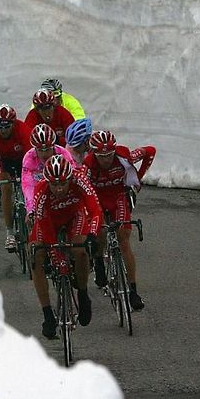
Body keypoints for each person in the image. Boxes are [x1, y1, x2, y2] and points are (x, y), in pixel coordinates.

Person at [30, 155, 103, 339]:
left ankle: (83, 294)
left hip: (74, 216)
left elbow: (95, 210)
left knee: (80, 250)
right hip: (48, 221)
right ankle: (47, 315)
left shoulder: (80, 180)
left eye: (63, 183)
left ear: (70, 178)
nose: (59, 188)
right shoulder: (41, 191)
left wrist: (93, 235)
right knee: (36, 256)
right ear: (47, 182)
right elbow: (43, 226)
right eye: (54, 185)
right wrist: (55, 257)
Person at [83, 131, 156, 310]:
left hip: (118, 197)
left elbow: (150, 151)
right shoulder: (88, 165)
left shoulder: (124, 155)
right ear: (94, 153)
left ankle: (133, 291)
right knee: (99, 232)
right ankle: (98, 261)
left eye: (109, 155)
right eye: (102, 156)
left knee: (124, 241)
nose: (107, 160)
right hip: (97, 199)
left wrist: (138, 176)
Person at [0, 104, 32, 251]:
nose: (3, 130)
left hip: (25, 159)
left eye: (7, 126)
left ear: (13, 123)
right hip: (6, 162)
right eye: (0, 127)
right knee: (6, 189)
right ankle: (10, 233)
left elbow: (31, 152)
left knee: (29, 186)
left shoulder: (22, 129)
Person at [21, 124, 76, 221]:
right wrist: (30, 210)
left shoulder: (63, 153)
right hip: (38, 188)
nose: (44, 154)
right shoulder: (29, 158)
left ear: (53, 145)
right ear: (34, 148)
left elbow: (74, 176)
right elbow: (28, 185)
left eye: (47, 149)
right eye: (40, 150)